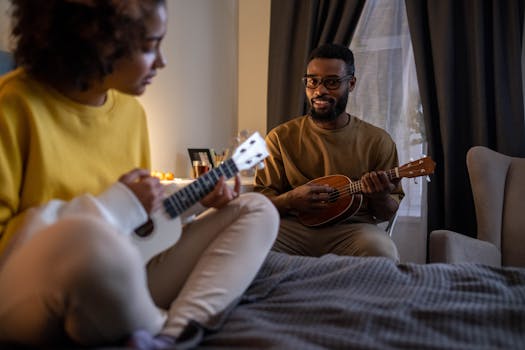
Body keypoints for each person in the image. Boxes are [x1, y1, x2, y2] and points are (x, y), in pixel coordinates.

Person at [0, 1, 278, 349]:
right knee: (84, 238)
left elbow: (140, 228)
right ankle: (149, 323)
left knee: (257, 209)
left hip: (120, 275)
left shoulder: (132, 113)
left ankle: (174, 334)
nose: (161, 62)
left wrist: (198, 203)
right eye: (149, 47)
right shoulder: (12, 105)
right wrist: (115, 206)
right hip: (29, 295)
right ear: (97, 40)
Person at [254, 43, 403, 260]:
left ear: (351, 84)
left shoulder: (378, 141)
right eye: (312, 81)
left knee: (382, 253)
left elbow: (387, 212)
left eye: (332, 82)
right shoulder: (279, 137)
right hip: (293, 229)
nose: (320, 90)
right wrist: (290, 200)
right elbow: (261, 203)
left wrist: (379, 197)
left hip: (353, 230)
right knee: (245, 246)